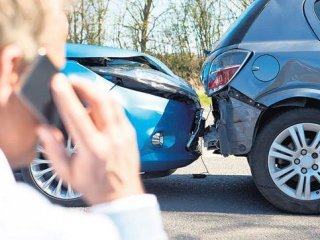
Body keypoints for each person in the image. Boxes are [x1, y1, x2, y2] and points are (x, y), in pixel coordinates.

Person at [0, 0, 167, 239]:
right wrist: (122, 195)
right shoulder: (19, 220)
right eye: (50, 76)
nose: (52, 106)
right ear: (10, 69)